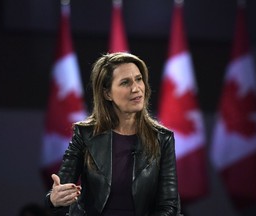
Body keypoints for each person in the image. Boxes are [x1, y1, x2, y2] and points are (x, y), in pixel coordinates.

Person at [45, 52, 183, 216]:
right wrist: (54, 199)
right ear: (107, 93)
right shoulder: (85, 134)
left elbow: (169, 206)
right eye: (125, 82)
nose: (136, 88)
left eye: (139, 79)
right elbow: (61, 190)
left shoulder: (162, 138)